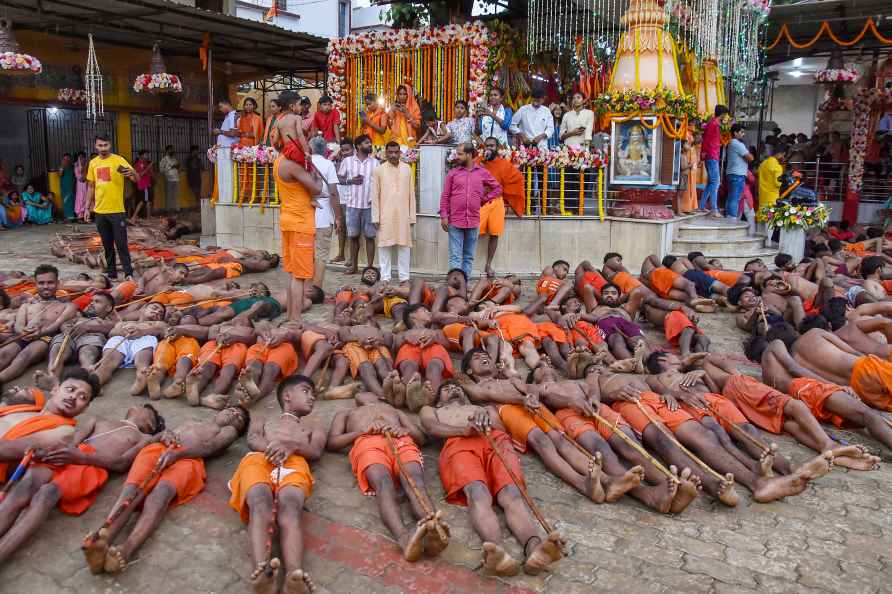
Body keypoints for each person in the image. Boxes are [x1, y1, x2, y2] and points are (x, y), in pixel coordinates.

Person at [419, 381, 565, 576]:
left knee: (512, 494)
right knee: (477, 493)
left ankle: (534, 547)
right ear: (438, 401)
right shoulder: (430, 409)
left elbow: (500, 427)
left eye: (457, 388)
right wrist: (463, 429)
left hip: (496, 440)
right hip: (458, 443)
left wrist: (484, 416)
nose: (453, 389)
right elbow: (430, 427)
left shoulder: (484, 407)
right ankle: (498, 552)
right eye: (446, 389)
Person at [84, 406, 248, 574]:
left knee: (159, 497)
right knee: (132, 490)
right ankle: (104, 539)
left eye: (239, 418)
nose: (234, 414)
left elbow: (210, 446)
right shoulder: (194, 421)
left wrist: (178, 455)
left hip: (189, 460)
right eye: (232, 409)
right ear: (219, 411)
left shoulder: (228, 431)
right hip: (160, 449)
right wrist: (163, 435)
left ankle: (126, 550)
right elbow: (159, 436)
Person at [0, 399, 162, 564]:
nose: (137, 405)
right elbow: (72, 443)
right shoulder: (98, 421)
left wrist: (82, 457)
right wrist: (46, 453)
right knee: (24, 486)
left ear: (150, 422)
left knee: (46, 494)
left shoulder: (144, 437)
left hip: (90, 466)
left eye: (144, 407)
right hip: (67, 455)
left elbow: (121, 463)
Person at [327, 391, 450, 561]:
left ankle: (433, 529)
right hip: (367, 443)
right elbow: (332, 443)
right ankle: (403, 538)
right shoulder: (346, 413)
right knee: (383, 484)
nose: (363, 393)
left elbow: (421, 438)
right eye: (359, 391)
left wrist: (402, 429)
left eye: (367, 390)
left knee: (414, 480)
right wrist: (361, 431)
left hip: (401, 440)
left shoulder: (393, 410)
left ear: (380, 396)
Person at [229, 375, 324, 593]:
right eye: (306, 391)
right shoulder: (263, 419)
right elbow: (253, 439)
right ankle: (263, 575)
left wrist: (291, 445)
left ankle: (294, 576)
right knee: (259, 502)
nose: (312, 397)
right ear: (287, 395)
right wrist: (274, 448)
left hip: (296, 463)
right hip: (259, 458)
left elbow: (316, 451)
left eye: (313, 394)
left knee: (291, 507)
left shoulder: (314, 427)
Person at [274, 138, 321, 323]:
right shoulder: (293, 167)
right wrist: (315, 170)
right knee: (300, 276)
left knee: (293, 274)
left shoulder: (278, 161)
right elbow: (316, 188)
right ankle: (295, 319)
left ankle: (290, 316)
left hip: (288, 220)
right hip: (300, 223)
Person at [440, 142, 502, 279]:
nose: (457, 156)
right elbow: (445, 195)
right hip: (455, 221)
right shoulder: (453, 173)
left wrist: (483, 199)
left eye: (460, 154)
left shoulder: (482, 172)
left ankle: (464, 284)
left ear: (469, 155)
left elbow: (497, 188)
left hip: (473, 221)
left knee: (468, 257)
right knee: (455, 257)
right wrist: (444, 215)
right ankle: (455, 286)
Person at [84, 135, 138, 279]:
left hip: (117, 211)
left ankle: (128, 273)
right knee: (107, 245)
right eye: (100, 145)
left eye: (105, 145)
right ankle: (112, 273)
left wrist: (133, 173)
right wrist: (86, 207)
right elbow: (90, 186)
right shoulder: (93, 163)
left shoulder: (118, 161)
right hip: (100, 211)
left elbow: (135, 179)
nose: (103, 148)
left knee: (121, 245)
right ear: (95, 146)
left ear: (110, 145)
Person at [479, 137, 525, 278]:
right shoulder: (478, 161)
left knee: (495, 233)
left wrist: (505, 195)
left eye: (492, 146)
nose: (489, 148)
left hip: (496, 201)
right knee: (472, 231)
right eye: (487, 146)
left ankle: (488, 264)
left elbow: (517, 178)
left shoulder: (504, 165)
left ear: (498, 147)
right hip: (480, 202)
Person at [372, 141, 415, 284]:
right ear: (386, 153)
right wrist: (375, 217)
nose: (393, 155)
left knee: (404, 246)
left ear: (400, 153)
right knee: (384, 245)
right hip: (385, 214)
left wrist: (412, 216)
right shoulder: (379, 170)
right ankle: (385, 277)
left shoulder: (407, 169)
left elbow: (411, 194)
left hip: (403, 214)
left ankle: (404, 277)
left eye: (396, 152)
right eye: (390, 152)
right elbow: (375, 195)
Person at [338, 134, 378, 274]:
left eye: (370, 142)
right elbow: (339, 179)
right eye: (367, 143)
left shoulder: (375, 163)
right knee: (353, 236)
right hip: (352, 205)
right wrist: (351, 181)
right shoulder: (347, 161)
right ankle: (353, 266)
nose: (370, 145)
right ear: (359, 146)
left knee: (370, 237)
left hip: (369, 205)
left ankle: (369, 268)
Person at [309, 136, 343, 289]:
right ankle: (316, 289)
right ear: (325, 150)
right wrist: (338, 217)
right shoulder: (328, 164)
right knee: (321, 255)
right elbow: (334, 193)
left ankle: (306, 287)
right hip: (324, 216)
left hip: (306, 214)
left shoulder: (304, 163)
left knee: (308, 254)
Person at [211, 98, 241, 202]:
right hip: (223, 150)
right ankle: (224, 198)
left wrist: (220, 131)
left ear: (227, 104)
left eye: (221, 107)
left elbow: (233, 133)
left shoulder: (233, 115)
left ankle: (228, 199)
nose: (220, 109)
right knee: (223, 176)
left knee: (228, 176)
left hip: (228, 149)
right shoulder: (228, 116)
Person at [700, 104, 728, 216]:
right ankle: (714, 209)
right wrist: (704, 154)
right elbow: (706, 140)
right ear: (722, 114)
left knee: (711, 183)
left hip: (712, 155)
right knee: (715, 182)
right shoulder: (714, 124)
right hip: (712, 156)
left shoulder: (713, 123)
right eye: (725, 114)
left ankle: (702, 206)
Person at [332, 138, 354, 263]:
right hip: (340, 196)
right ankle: (341, 254)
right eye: (343, 150)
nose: (345, 152)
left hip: (352, 197)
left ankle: (351, 257)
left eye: (348, 150)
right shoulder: (338, 161)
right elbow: (336, 177)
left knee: (351, 227)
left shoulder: (356, 161)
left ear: (353, 149)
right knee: (340, 226)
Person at [725, 124, 753, 221]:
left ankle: (729, 216)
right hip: (737, 174)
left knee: (731, 196)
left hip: (733, 173)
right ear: (735, 133)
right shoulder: (737, 144)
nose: (743, 134)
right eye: (741, 132)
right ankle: (732, 218)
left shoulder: (731, 143)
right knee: (735, 197)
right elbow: (750, 158)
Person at [388, 84, 421, 148]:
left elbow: (417, 126)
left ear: (409, 95)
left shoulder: (414, 107)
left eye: (404, 94)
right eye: (400, 94)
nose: (402, 96)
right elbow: (389, 126)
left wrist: (407, 113)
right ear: (397, 95)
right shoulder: (394, 107)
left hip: (409, 142)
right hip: (396, 141)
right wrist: (392, 111)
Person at [677, 130, 699, 214]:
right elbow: (683, 167)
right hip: (682, 177)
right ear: (682, 147)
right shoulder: (682, 156)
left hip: (685, 177)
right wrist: (689, 166)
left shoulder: (685, 155)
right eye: (686, 144)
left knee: (681, 194)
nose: (688, 145)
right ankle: (679, 211)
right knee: (680, 194)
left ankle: (681, 210)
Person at [758, 144, 784, 210]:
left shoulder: (763, 163)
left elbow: (757, 173)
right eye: (783, 155)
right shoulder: (777, 166)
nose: (783, 157)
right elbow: (778, 183)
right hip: (772, 198)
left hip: (762, 197)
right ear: (779, 154)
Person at [158, 145, 180, 212]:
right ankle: (168, 210)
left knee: (176, 195)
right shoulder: (164, 160)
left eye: (173, 149)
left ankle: (177, 209)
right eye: (171, 149)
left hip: (176, 178)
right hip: (169, 179)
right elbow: (161, 170)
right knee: (169, 195)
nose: (173, 151)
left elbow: (177, 167)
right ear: (167, 151)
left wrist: (177, 167)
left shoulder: (174, 159)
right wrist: (171, 167)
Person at [133, 150, 153, 218]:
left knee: (146, 202)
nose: (147, 156)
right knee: (144, 202)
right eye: (145, 154)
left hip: (147, 184)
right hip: (144, 185)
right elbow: (140, 175)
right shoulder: (138, 164)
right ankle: (136, 216)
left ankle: (145, 217)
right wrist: (148, 167)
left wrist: (151, 168)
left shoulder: (146, 163)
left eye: (147, 155)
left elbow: (150, 175)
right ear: (141, 156)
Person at [60, 153, 76, 222]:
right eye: (65, 159)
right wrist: (62, 167)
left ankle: (72, 217)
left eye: (68, 159)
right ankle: (67, 217)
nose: (67, 160)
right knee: (66, 201)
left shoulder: (73, 167)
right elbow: (60, 174)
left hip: (72, 186)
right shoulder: (61, 167)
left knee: (72, 201)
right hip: (65, 187)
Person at [74, 151, 89, 219]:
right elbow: (81, 178)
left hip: (87, 185)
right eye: (80, 158)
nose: (81, 159)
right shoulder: (76, 166)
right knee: (80, 199)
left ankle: (86, 215)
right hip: (80, 186)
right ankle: (80, 216)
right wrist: (82, 167)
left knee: (86, 198)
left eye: (83, 157)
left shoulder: (88, 165)